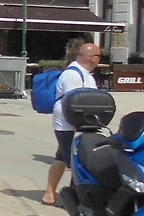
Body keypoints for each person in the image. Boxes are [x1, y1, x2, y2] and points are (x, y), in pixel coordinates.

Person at [40, 41, 102, 206]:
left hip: (74, 126)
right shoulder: (73, 75)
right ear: (91, 58)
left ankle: (49, 194)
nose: (100, 59)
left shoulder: (85, 74)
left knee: (61, 158)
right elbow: (73, 105)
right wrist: (78, 128)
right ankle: (75, 200)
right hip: (70, 127)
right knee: (78, 164)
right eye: (99, 56)